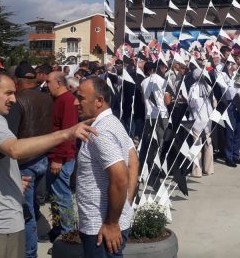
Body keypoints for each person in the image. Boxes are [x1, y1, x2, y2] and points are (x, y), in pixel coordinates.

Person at [0, 71, 95, 258]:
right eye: (8, 93)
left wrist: (9, 183)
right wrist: (67, 134)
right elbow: (15, 149)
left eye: (14, 92)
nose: (13, 99)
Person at [73, 77, 138, 258]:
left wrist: (111, 223)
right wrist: (126, 202)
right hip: (105, 224)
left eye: (81, 98)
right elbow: (133, 160)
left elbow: (120, 177)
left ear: (99, 101)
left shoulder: (101, 131)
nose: (75, 102)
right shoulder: (112, 122)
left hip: (100, 230)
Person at [14, 63, 55, 258]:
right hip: (42, 157)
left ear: (18, 81)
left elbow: (13, 134)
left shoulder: (18, 100)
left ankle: (29, 253)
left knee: (26, 212)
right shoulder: (46, 98)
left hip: (25, 162)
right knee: (32, 207)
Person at [46, 71, 80, 240]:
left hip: (62, 158)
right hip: (56, 156)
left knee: (62, 197)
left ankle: (68, 234)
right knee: (55, 197)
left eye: (48, 82)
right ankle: (59, 229)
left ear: (58, 83)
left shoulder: (66, 101)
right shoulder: (58, 99)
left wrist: (59, 158)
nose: (46, 85)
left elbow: (68, 132)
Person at [139, 61, 169, 171]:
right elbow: (167, 100)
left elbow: (143, 100)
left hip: (149, 115)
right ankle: (157, 167)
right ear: (153, 69)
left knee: (151, 141)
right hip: (162, 114)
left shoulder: (143, 82)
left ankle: (151, 164)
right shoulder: (162, 81)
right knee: (160, 141)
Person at [187, 68, 215, 176]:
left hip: (197, 119)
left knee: (197, 144)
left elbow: (192, 103)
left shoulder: (193, 88)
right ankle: (209, 169)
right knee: (208, 143)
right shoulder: (208, 86)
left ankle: (197, 171)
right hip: (208, 119)